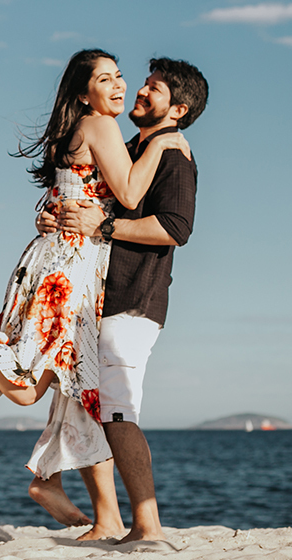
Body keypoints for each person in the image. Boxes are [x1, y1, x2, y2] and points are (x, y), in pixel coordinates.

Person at [0, 49, 190, 532]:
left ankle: (85, 506)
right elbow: (130, 195)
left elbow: (72, 193)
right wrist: (165, 142)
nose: (119, 86)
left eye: (120, 77)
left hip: (57, 261)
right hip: (67, 273)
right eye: (105, 78)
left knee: (81, 389)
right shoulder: (102, 126)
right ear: (83, 91)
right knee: (32, 390)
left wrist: (54, 213)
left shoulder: (87, 129)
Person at [35, 57, 208, 543]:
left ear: (180, 108)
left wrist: (104, 225)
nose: (139, 91)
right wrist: (53, 218)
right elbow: (86, 194)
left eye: (153, 89)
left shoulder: (173, 155)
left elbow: (174, 228)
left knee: (116, 412)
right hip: (96, 298)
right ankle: (107, 519)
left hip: (132, 301)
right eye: (144, 83)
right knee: (86, 402)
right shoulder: (129, 147)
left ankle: (147, 526)